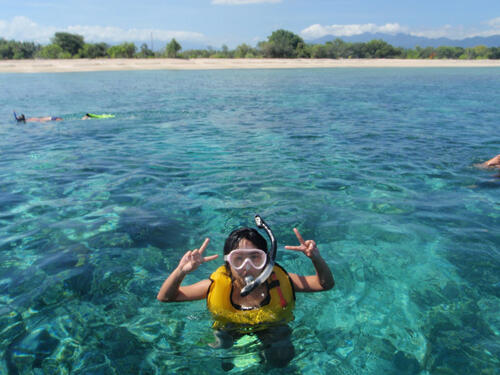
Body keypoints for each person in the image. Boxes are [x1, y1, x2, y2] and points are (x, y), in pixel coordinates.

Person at [157, 219, 334, 368]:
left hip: (271, 326)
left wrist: (316, 258)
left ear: (267, 260)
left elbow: (324, 284)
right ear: (228, 262)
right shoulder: (215, 285)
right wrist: (181, 270)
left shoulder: (280, 281)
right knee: (222, 352)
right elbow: (166, 297)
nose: (247, 266)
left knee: (282, 356)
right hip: (229, 327)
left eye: (255, 257)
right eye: (238, 259)